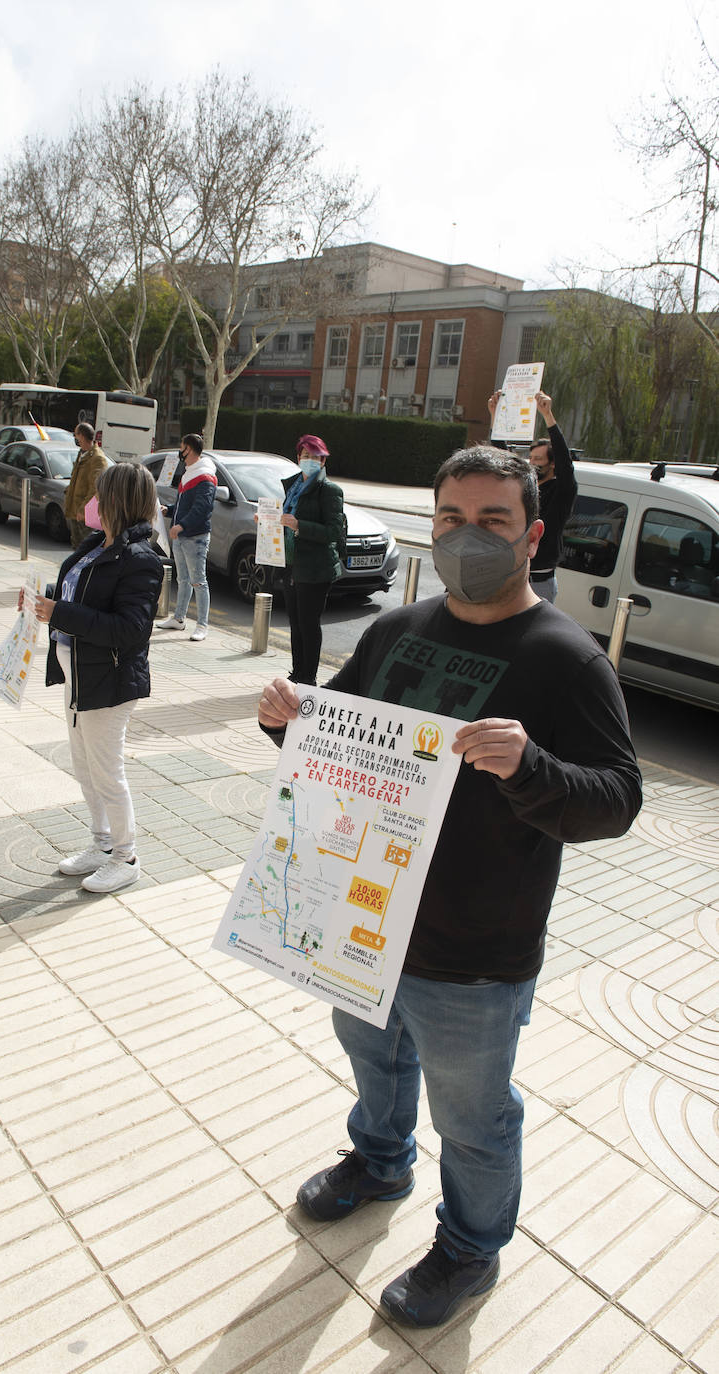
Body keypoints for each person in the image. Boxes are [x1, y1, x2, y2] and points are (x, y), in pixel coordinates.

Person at [258, 444, 642, 1329]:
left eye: (493, 521)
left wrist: (531, 765)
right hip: (361, 922)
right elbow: (339, 748)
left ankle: (470, 1250)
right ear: (428, 527)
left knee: (472, 1119)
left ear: (532, 534)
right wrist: (290, 722)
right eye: (451, 519)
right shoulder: (397, 630)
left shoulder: (566, 660)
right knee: (372, 1060)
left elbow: (615, 801)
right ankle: (379, 1160)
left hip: (475, 953)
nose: (468, 536)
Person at [23, 462, 163, 895]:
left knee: (106, 771)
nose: (91, 503)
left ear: (117, 502)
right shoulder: (95, 546)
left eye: (100, 495)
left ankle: (127, 856)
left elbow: (129, 630)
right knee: (85, 766)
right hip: (79, 674)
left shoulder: (141, 560)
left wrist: (60, 613)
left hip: (110, 681)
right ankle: (102, 845)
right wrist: (44, 601)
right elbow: (78, 597)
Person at [488, 389, 577, 602]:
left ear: (552, 463)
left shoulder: (561, 491)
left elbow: (566, 465)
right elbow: (504, 460)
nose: (532, 464)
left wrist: (548, 416)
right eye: (531, 459)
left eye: (538, 460)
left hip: (538, 582)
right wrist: (495, 416)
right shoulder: (524, 488)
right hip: (510, 575)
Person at [279, 434, 344, 684]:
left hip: (316, 568)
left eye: (316, 457)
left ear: (323, 461)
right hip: (292, 564)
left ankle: (309, 678)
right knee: (295, 622)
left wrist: (300, 526)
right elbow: (284, 519)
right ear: (298, 458)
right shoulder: (293, 485)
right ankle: (297, 673)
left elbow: (333, 532)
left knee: (308, 624)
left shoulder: (329, 490)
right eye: (306, 456)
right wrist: (268, 520)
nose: (310, 461)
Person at [155, 433, 216, 641]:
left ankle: (202, 625)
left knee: (198, 581)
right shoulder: (190, 473)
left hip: (195, 537)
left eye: (182, 446)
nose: (180, 451)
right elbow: (185, 505)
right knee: (183, 580)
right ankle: (179, 619)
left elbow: (202, 508)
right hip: (182, 535)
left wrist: (181, 525)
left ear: (189, 449)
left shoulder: (205, 476)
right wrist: (169, 511)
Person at [65, 422, 109, 547]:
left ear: (82, 436)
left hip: (86, 514)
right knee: (76, 546)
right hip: (76, 510)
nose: (75, 438)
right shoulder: (82, 454)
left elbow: (96, 488)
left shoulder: (97, 458)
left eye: (76, 435)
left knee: (86, 548)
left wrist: (83, 510)